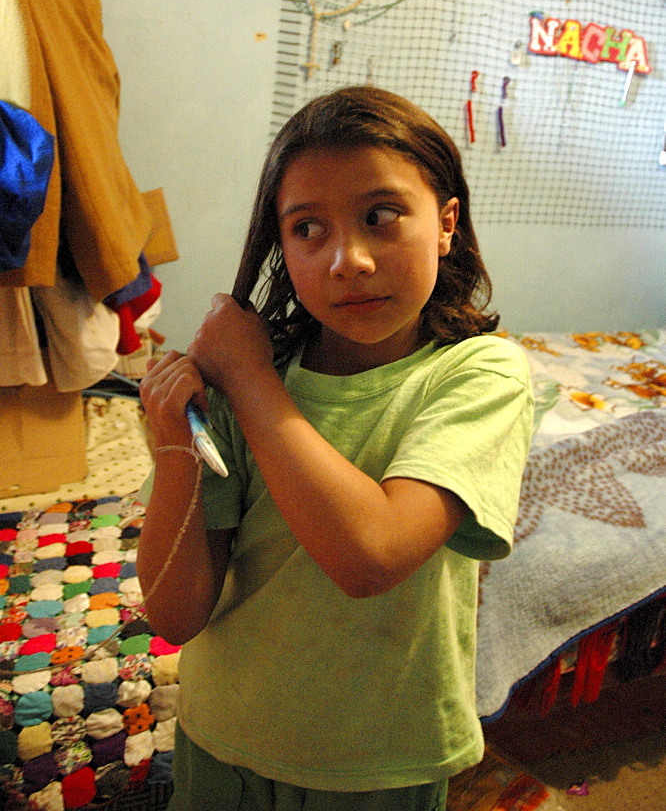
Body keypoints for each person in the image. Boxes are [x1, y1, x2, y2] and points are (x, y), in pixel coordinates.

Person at [137, 85, 534, 811]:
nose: (347, 259)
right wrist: (172, 447)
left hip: (378, 762)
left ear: (445, 224)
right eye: (308, 230)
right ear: (281, 249)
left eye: (381, 217)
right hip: (221, 736)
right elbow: (173, 613)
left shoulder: (480, 374)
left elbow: (369, 555)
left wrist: (251, 377)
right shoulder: (240, 386)